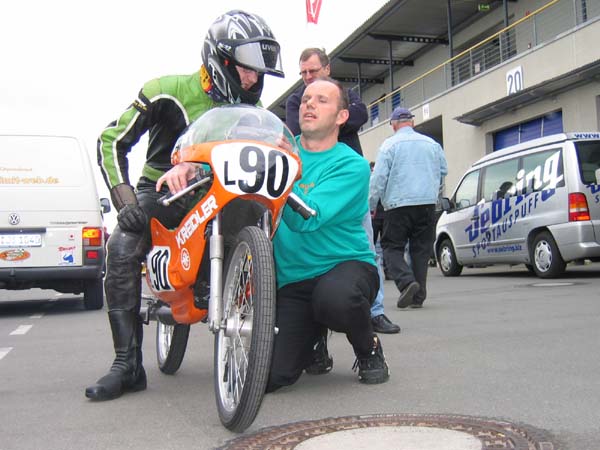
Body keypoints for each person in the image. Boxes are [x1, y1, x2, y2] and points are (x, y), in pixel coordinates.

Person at [86, 10, 284, 401]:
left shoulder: (254, 110)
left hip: (222, 195)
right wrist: (125, 198)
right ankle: (126, 364)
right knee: (123, 245)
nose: (253, 80)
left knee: (263, 231)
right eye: (246, 70)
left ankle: (255, 337)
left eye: (259, 73)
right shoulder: (167, 89)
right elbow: (110, 140)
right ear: (219, 59)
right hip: (161, 193)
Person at [267, 77, 389, 391]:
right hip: (292, 280)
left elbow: (309, 217)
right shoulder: (275, 149)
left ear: (341, 116)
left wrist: (281, 172)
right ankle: (313, 337)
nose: (310, 104)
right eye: (307, 98)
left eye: (322, 100)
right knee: (271, 376)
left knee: (335, 299)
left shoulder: (353, 165)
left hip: (345, 266)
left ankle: (368, 348)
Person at [369, 106, 448, 309]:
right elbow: (443, 170)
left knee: (391, 248)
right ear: (412, 122)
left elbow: (378, 179)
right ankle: (418, 296)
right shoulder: (432, 144)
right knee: (420, 251)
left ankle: (406, 282)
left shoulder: (389, 146)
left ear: (393, 125)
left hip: (397, 205)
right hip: (427, 204)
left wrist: (371, 204)